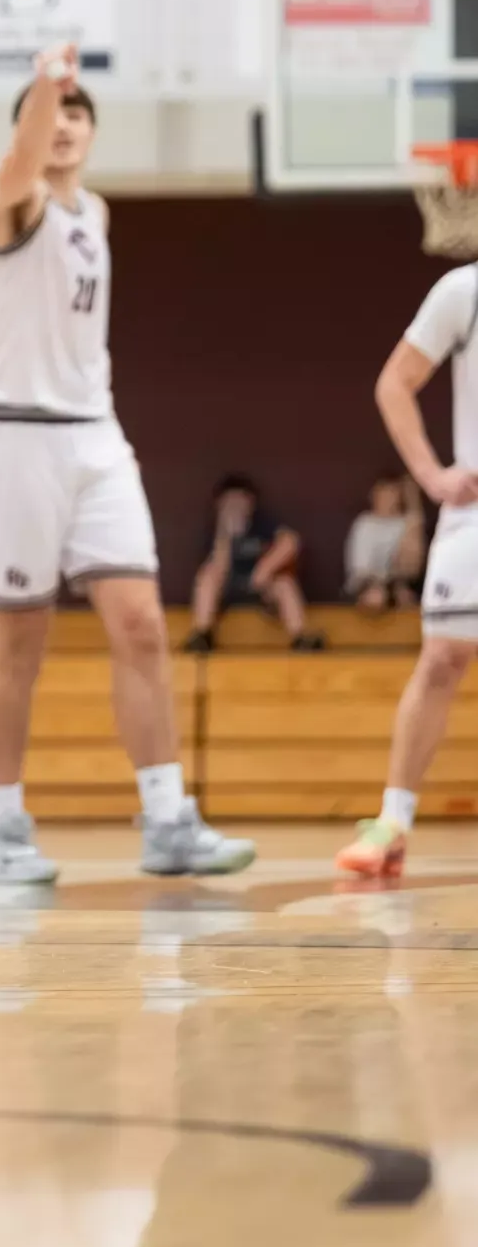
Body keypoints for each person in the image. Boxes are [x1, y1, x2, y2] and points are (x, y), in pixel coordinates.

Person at [0, 46, 255, 883]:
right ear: (31, 126)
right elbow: (21, 157)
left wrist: (58, 90)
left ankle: (168, 820)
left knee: (142, 624)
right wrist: (51, 79)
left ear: (93, 134)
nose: (63, 127)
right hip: (16, 432)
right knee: (21, 637)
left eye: (78, 115)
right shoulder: (5, 206)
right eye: (51, 115)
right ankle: (2, 826)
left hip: (95, 432)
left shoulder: (95, 214)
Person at [336, 262, 478, 877]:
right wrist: (431, 476)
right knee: (442, 657)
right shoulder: (464, 291)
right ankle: (392, 823)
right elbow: (395, 382)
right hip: (473, 512)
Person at [186, 476, 323, 654]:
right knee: (207, 576)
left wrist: (264, 570)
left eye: (240, 500)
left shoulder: (262, 523)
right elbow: (219, 567)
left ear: (250, 502)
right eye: (229, 501)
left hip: (262, 587)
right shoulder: (217, 530)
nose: (235, 506)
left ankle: (300, 637)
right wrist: (225, 533)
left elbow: (291, 542)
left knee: (284, 583)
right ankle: (202, 634)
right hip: (230, 588)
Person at [346, 475, 426, 608]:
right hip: (366, 583)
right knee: (376, 598)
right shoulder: (364, 523)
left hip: (397, 583)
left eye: (392, 494)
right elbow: (360, 570)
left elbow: (412, 568)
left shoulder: (406, 523)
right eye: (383, 495)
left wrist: (413, 498)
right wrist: (380, 586)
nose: (388, 500)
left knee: (405, 598)